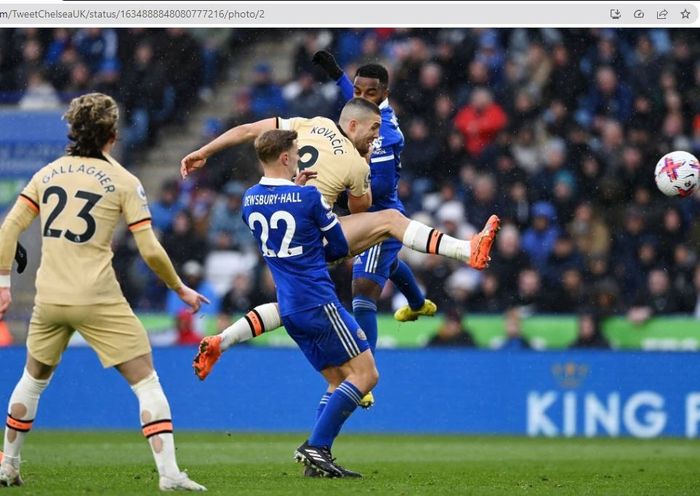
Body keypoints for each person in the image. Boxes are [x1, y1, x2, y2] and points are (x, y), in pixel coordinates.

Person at [183, 98, 500, 392]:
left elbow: (249, 130)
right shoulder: (355, 161)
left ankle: (221, 341)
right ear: (352, 126)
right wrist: (361, 165)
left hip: (280, 234)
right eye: (373, 129)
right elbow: (361, 210)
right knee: (388, 220)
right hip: (316, 235)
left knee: (289, 307)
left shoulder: (306, 124)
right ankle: (465, 250)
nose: (375, 137)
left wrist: (204, 152)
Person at [0, 93, 207, 491]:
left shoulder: (47, 173)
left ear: (73, 130)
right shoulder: (124, 181)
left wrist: (4, 286)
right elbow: (148, 248)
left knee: (32, 380)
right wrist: (179, 288)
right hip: (97, 297)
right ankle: (169, 474)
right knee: (146, 381)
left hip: (51, 298)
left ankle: (8, 465)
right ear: (113, 134)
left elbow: (10, 228)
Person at [240, 128, 375, 477]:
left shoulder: (249, 199)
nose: (299, 157)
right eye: (297, 152)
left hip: (288, 306)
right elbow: (340, 247)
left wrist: (295, 194)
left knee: (336, 380)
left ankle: (318, 461)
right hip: (318, 301)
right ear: (286, 157)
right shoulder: (310, 198)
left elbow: (283, 221)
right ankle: (315, 446)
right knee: (365, 375)